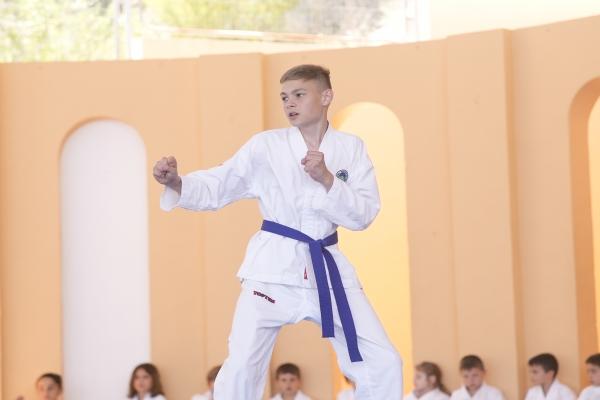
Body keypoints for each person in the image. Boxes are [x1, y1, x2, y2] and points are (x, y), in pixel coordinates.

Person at [154, 64, 402, 399]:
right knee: (242, 366)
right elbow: (222, 183)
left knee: (383, 362)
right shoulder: (265, 147)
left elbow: (364, 214)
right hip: (271, 270)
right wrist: (177, 183)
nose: (290, 103)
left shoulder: (351, 148)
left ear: (326, 96)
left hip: (327, 268)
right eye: (284, 97)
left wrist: (328, 180)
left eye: (299, 94)